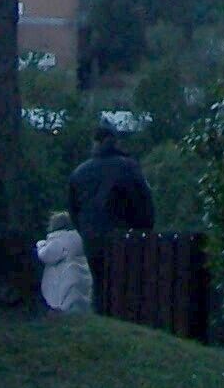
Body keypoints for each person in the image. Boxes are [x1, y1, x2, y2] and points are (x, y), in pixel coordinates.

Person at [67, 123, 156, 258]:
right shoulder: (128, 167)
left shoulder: (78, 173)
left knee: (99, 277)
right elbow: (144, 202)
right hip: (124, 238)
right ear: (116, 142)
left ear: (95, 143)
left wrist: (86, 231)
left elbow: (73, 210)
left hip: (92, 239)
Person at [35, 210, 93, 315]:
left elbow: (46, 256)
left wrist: (40, 245)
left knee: (64, 300)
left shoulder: (57, 240)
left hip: (64, 277)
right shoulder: (77, 237)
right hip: (79, 273)